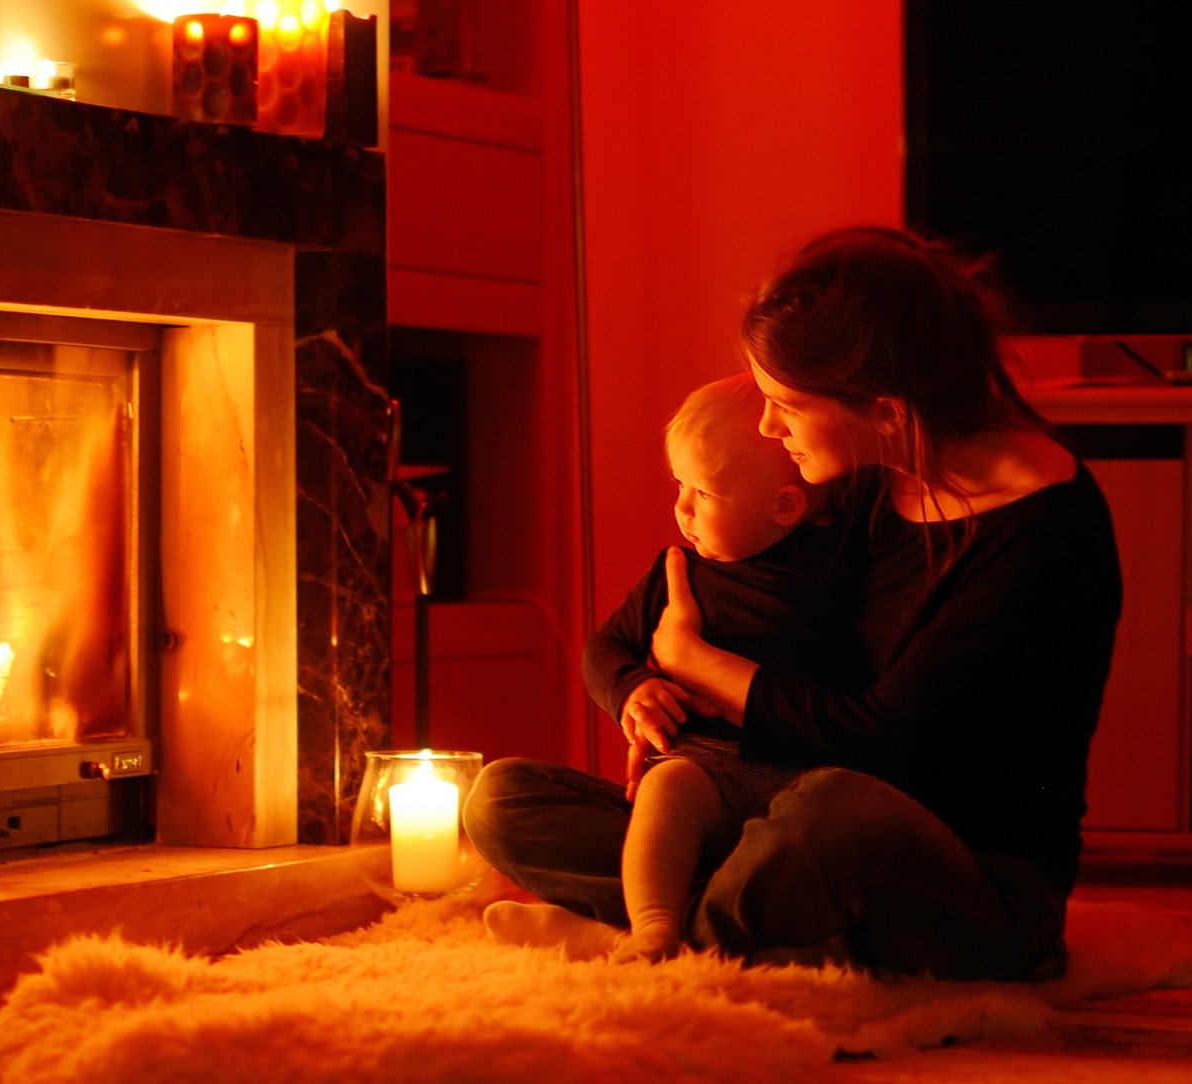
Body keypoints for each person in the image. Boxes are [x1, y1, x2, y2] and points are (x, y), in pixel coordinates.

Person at [465, 225, 1122, 981]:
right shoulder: (870, 479)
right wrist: (649, 698)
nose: (770, 427)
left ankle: (655, 950)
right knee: (506, 799)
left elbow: (879, 745)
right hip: (786, 806)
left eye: (785, 404)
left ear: (883, 405)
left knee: (832, 812)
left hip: (965, 878)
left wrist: (695, 663)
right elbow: (752, 604)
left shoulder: (1038, 528)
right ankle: (712, 927)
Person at [572, 372, 855, 962]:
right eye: (679, 486)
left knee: (824, 825)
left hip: (801, 781)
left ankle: (629, 926)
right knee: (506, 798)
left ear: (784, 505)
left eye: (702, 494)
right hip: (703, 771)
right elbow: (604, 649)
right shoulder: (678, 571)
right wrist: (633, 688)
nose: (681, 509)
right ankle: (654, 925)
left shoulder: (840, 570)